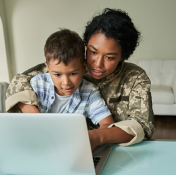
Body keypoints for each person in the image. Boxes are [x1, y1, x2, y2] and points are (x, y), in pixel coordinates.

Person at [6, 8, 155, 150]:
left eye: (109, 57)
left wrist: (97, 137)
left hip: (111, 150)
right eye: (92, 52)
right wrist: (41, 123)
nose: (97, 64)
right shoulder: (71, 65)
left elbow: (142, 124)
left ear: (123, 56)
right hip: (53, 145)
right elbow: (19, 82)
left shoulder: (135, 78)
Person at [28, 29, 114, 132]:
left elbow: (108, 124)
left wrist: (91, 137)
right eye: (57, 74)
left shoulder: (90, 92)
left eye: (73, 73)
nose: (66, 82)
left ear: (83, 67)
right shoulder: (37, 84)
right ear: (48, 68)